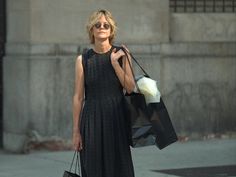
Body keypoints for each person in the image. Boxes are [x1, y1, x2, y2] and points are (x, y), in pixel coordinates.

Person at [72, 9, 136, 177]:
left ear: (111, 30)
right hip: (91, 121)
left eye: (106, 25)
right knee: (93, 169)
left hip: (116, 119)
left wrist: (115, 64)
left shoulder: (122, 54)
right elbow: (78, 98)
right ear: (91, 30)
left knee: (119, 169)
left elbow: (130, 87)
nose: (102, 27)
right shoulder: (83, 60)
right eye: (97, 25)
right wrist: (76, 132)